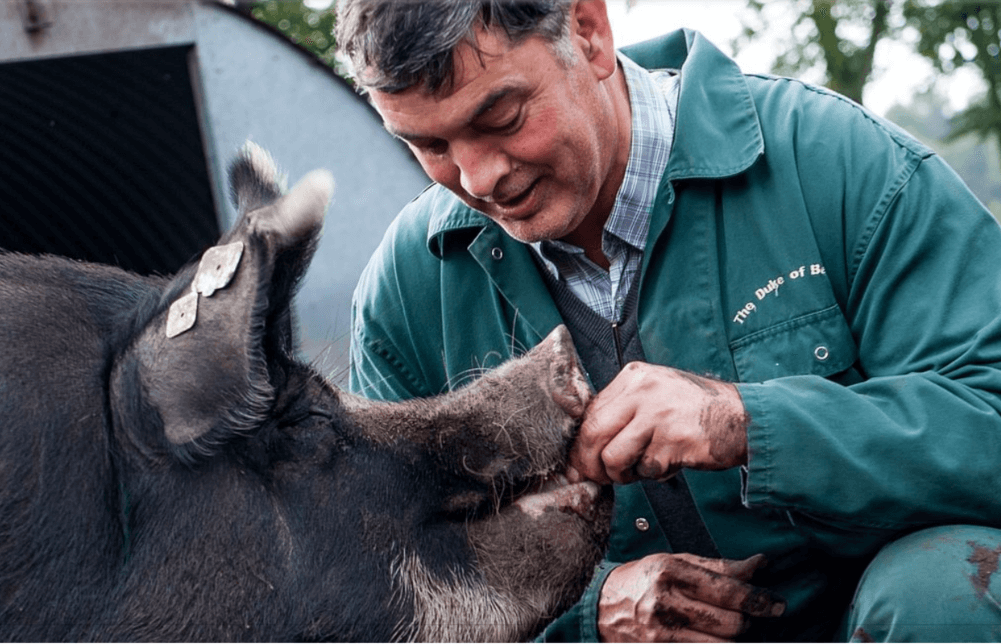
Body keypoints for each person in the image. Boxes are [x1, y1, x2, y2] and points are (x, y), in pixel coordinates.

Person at [337, 0, 1001, 641]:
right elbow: (384, 574)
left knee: (943, 591)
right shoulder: (406, 291)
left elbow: (987, 418)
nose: (477, 178)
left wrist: (745, 422)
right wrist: (588, 610)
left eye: (502, 117)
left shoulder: (836, 160)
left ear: (587, 30)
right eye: (429, 145)